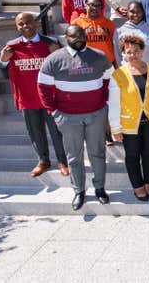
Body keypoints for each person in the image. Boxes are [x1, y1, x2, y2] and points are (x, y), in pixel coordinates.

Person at [37, 25, 113, 211]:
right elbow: (43, 87)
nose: (78, 38)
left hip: (95, 114)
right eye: (73, 36)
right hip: (68, 117)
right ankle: (79, 191)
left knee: (98, 152)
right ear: (65, 37)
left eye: (81, 35)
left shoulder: (100, 56)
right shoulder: (54, 59)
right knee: (74, 156)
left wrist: (102, 105)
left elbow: (109, 82)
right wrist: (53, 112)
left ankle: (100, 188)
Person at [0, 12, 67, 177]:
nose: (25, 26)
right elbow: (5, 75)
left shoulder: (50, 43)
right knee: (35, 132)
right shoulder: (11, 47)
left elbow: (64, 71)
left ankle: (62, 161)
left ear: (35, 23)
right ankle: (43, 160)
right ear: (16, 27)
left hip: (50, 98)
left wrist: (58, 54)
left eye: (27, 22)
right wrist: (4, 61)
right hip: (27, 98)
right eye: (20, 24)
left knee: (57, 131)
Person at [108, 35, 149, 201]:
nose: (133, 55)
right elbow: (114, 103)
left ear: (142, 51)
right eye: (128, 52)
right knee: (132, 155)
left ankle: (148, 184)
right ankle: (138, 187)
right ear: (123, 53)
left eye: (136, 51)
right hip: (130, 123)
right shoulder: (118, 74)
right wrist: (115, 128)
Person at [72, 0, 116, 66]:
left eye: (98, 5)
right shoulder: (76, 23)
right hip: (85, 64)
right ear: (85, 6)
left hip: (106, 64)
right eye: (92, 5)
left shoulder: (109, 24)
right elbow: (72, 46)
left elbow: (115, 47)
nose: (95, 8)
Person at [114, 1, 149, 66]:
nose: (135, 14)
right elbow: (117, 54)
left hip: (148, 70)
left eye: (138, 12)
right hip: (127, 72)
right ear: (127, 13)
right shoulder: (119, 31)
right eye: (132, 12)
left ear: (143, 13)